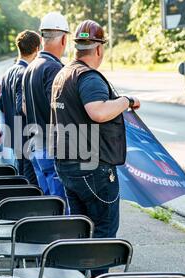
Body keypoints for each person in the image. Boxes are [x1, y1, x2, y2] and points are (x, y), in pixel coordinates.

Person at [52, 20, 141, 242]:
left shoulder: (63, 74)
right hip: (92, 167)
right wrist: (126, 101)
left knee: (80, 230)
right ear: (99, 49)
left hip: (67, 163)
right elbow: (98, 112)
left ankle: (80, 276)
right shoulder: (89, 77)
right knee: (104, 231)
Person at [22, 12, 69, 200]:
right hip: (51, 148)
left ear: (41, 38)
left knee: (49, 204)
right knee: (61, 205)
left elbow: (24, 107)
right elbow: (60, 110)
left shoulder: (31, 67)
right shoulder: (54, 69)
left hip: (35, 144)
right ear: (64, 39)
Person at [0, 30, 41, 186]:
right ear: (37, 49)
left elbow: (3, 105)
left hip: (14, 134)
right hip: (26, 137)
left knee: (21, 181)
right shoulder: (24, 73)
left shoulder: (7, 72)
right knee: (30, 185)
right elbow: (20, 107)